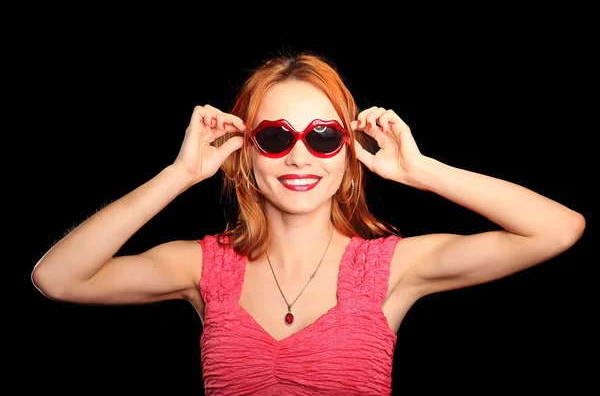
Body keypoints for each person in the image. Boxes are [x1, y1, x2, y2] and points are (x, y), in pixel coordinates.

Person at [31, 51, 585, 395]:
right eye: (274, 138)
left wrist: (424, 171)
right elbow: (58, 278)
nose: (300, 158)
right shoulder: (201, 266)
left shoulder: (392, 267)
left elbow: (558, 228)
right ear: (245, 153)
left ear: (347, 152)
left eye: (323, 137)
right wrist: (180, 174)